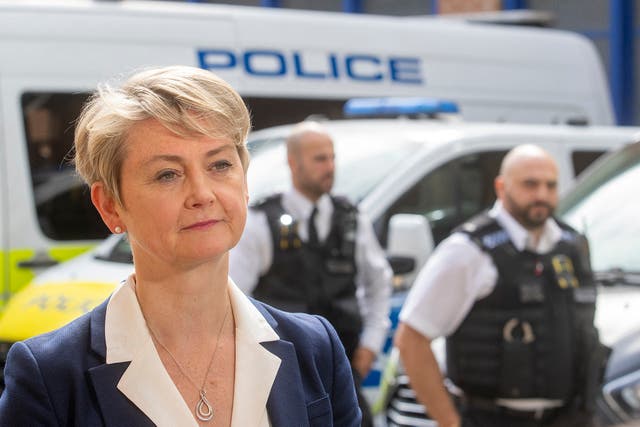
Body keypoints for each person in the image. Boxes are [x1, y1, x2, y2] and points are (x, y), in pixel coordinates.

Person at [0, 66, 361, 426]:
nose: (202, 194)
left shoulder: (316, 349)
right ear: (110, 205)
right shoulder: (49, 377)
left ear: (245, 182)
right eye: (167, 174)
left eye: (219, 165)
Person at [394, 144, 608, 427]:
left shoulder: (571, 246)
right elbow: (411, 340)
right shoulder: (469, 251)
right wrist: (450, 422)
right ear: (501, 186)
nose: (541, 195)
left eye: (550, 185)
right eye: (530, 184)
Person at [229, 121, 392, 426]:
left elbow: (379, 282)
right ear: (293, 163)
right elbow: (234, 296)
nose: (329, 167)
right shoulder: (262, 222)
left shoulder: (352, 218)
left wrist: (371, 344)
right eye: (320, 159)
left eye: (332, 158)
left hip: (342, 368)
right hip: (279, 372)